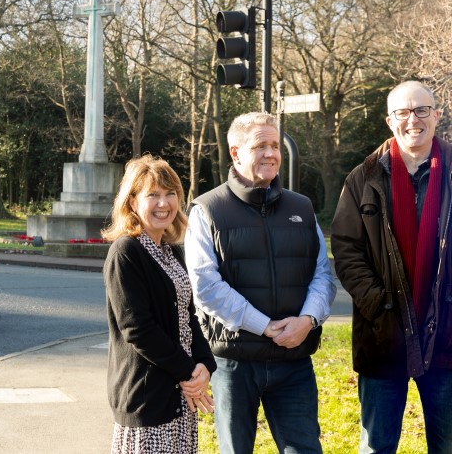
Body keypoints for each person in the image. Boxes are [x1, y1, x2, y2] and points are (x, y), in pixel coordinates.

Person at [183, 111, 336, 454]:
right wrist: (266, 327)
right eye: (260, 145)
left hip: (294, 361)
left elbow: (322, 275)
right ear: (236, 153)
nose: (271, 153)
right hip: (235, 364)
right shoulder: (207, 210)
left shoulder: (302, 207)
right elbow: (206, 286)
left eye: (275, 144)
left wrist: (307, 322)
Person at [331, 80, 452, 454]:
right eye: (402, 112)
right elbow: (347, 250)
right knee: (377, 446)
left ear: (436, 115)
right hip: (382, 336)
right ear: (389, 121)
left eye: (420, 110)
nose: (412, 119)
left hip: (447, 335)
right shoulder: (362, 178)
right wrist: (380, 305)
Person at [102, 154, 216, 454]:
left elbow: (189, 315)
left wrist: (205, 365)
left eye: (170, 194)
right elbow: (137, 328)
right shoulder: (125, 251)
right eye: (153, 195)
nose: (164, 203)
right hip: (147, 397)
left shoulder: (171, 250)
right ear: (132, 202)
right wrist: (189, 372)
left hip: (180, 395)